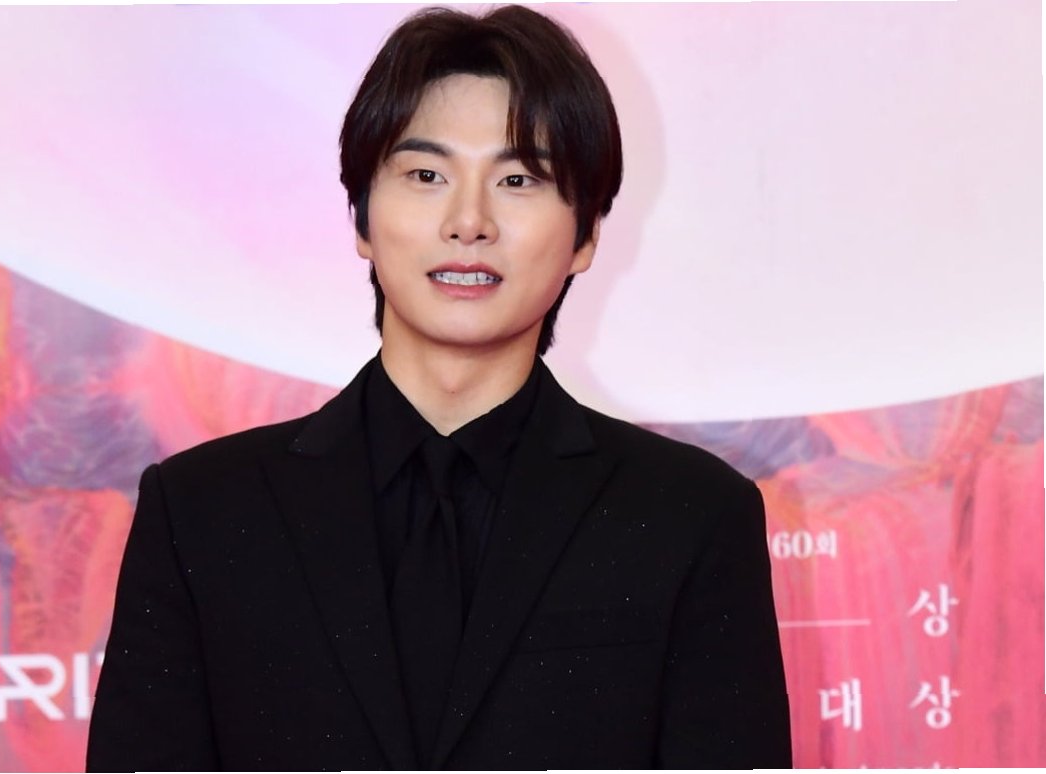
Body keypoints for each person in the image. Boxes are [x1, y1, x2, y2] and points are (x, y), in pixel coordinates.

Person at [87, 5, 791, 770]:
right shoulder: (202, 513)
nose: (468, 221)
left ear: (586, 234)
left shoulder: (690, 516)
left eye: (518, 179)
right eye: (426, 175)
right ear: (362, 218)